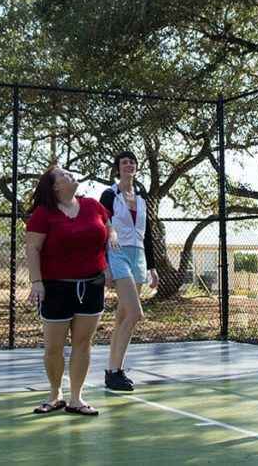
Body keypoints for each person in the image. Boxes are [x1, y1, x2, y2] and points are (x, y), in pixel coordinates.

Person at [24, 165, 116, 416]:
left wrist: (110, 252)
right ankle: (55, 396)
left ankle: (76, 398)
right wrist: (36, 282)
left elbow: (108, 227)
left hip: (92, 285)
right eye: (63, 174)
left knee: (83, 343)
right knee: (53, 346)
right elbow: (32, 249)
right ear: (55, 186)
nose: (70, 175)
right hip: (56, 287)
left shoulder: (93, 206)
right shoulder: (43, 214)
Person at [99, 151, 158, 391]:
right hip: (118, 254)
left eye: (132, 162)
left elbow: (148, 235)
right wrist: (104, 265)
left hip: (139, 257)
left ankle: (113, 370)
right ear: (117, 168)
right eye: (124, 162)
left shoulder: (143, 197)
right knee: (136, 313)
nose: (129, 165)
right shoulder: (109, 194)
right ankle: (116, 370)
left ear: (136, 167)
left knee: (124, 317)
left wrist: (152, 267)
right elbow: (102, 228)